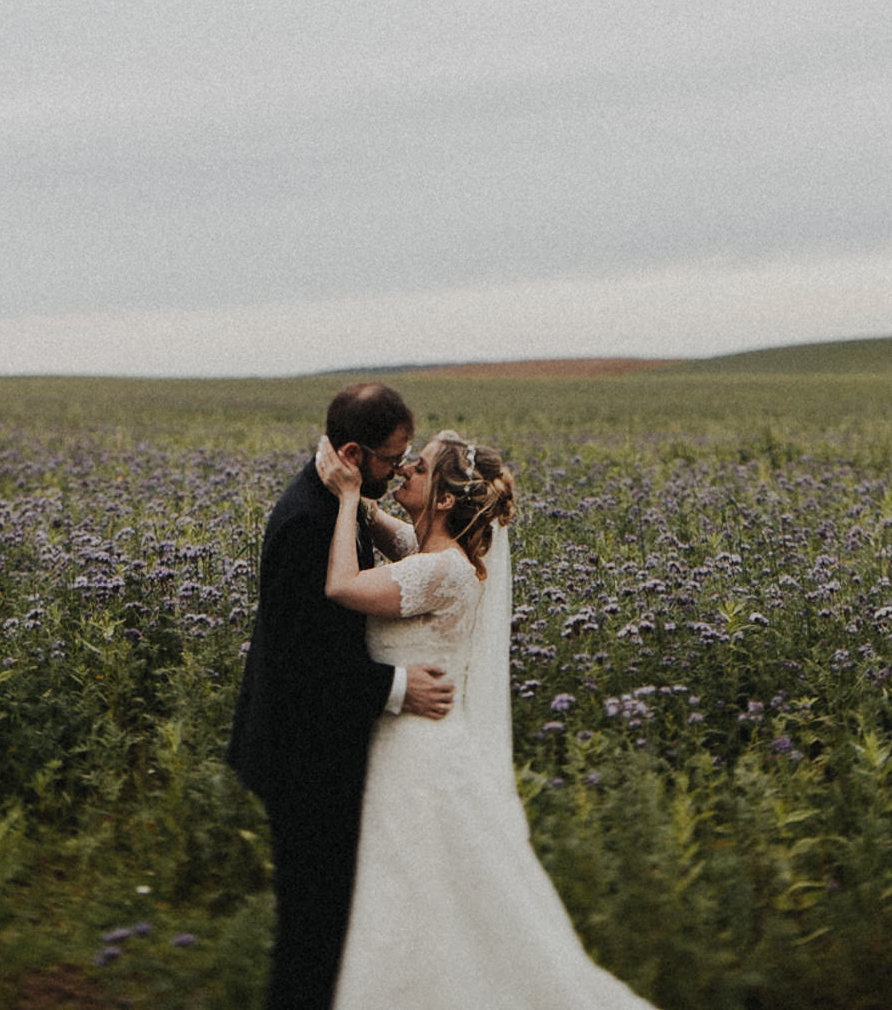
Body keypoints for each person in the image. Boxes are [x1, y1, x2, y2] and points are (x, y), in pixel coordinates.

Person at [313, 428, 654, 1009]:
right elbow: (397, 535)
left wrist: (347, 501)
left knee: (413, 896)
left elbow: (342, 585)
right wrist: (356, 485)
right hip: (421, 743)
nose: (403, 474)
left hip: (414, 754)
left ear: (445, 499)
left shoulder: (440, 571)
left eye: (416, 469)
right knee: (434, 899)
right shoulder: (436, 554)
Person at [229, 382, 456, 1010]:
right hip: (302, 755)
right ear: (353, 454)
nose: (402, 468)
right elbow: (305, 664)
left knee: (329, 918)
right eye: (392, 458)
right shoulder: (309, 521)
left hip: (314, 746)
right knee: (314, 927)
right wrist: (400, 686)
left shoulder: (334, 503)